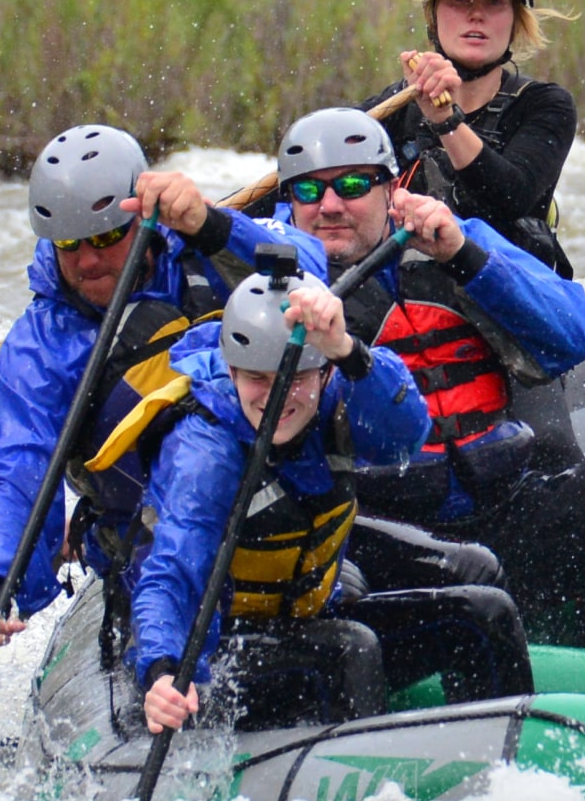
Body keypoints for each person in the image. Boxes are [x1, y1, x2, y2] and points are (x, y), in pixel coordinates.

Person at [273, 107, 585, 653]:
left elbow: (570, 338)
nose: (331, 206)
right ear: (288, 204)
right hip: (385, 530)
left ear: (391, 189)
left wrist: (465, 258)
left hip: (505, 504)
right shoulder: (277, 289)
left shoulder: (454, 239)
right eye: (309, 191)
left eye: (354, 185)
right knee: (468, 570)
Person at [0, 125, 324, 670]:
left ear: (140, 215)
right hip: (152, 565)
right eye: (68, 244)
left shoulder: (207, 250)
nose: (86, 261)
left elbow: (312, 278)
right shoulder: (38, 348)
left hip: (284, 530)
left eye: (106, 237)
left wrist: (210, 224)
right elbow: (17, 475)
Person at [135, 266, 535, 733]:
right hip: (223, 647)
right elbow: (171, 572)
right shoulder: (205, 455)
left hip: (309, 617)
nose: (277, 395)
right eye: (256, 379)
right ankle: (367, 790)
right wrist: (163, 671)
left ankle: (500, 769)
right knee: (349, 649)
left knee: (483, 614)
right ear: (231, 371)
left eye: (296, 376)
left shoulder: (337, 394)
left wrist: (347, 350)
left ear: (324, 373)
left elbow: (405, 436)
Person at [362, 0, 580, 278]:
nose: (476, 15)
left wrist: (445, 121)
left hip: (503, 296)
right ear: (434, 16)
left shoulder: (546, 106)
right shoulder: (394, 106)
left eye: (494, 2)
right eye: (459, 0)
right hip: (409, 299)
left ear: (515, 20)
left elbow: (508, 199)